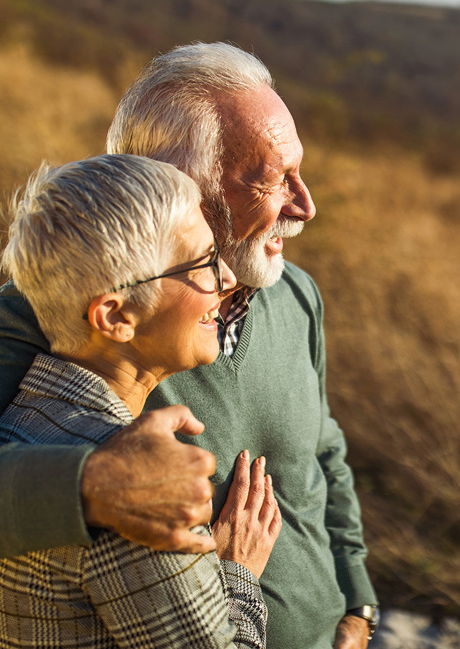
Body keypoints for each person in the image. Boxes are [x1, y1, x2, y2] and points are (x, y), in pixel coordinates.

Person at [0, 43, 379, 649]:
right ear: (180, 186)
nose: (306, 206)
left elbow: (323, 457)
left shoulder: (297, 295)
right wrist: (88, 483)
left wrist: (357, 607)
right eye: (273, 180)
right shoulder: (51, 316)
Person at [0, 154, 281, 648]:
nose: (229, 279)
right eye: (203, 263)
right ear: (115, 316)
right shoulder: (139, 493)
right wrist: (237, 572)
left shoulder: (23, 422)